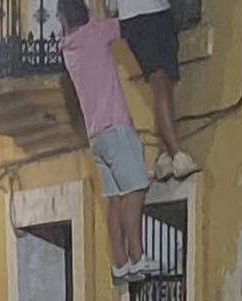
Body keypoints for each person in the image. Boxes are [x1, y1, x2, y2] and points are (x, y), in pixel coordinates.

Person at [59, 0, 161, 284]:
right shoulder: (96, 33)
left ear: (62, 20)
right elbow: (128, 24)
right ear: (86, 14)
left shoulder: (67, 48)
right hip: (115, 128)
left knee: (115, 200)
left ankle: (119, 263)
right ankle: (138, 257)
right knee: (136, 190)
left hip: (96, 136)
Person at [106, 0, 198, 182]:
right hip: (141, 18)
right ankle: (176, 153)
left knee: (165, 83)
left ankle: (165, 153)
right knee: (160, 81)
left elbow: (111, 8)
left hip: (155, 13)